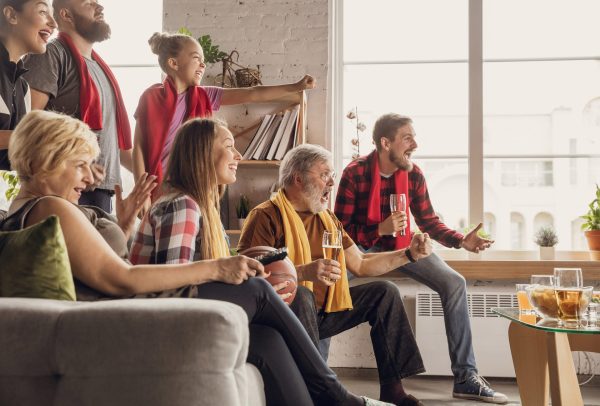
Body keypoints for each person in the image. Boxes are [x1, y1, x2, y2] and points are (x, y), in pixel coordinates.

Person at [1, 110, 392, 406]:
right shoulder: (51, 206)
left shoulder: (40, 210)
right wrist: (219, 267)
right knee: (258, 291)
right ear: (42, 161)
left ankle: (326, 397)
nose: (89, 179)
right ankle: (333, 393)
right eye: (80, 165)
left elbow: (104, 262)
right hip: (126, 315)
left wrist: (121, 224)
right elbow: (120, 277)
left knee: (268, 337)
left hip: (118, 312)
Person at [238, 143, 433, 406]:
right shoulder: (264, 217)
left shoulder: (328, 219)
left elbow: (361, 263)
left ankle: (393, 390)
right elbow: (249, 278)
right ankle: (321, 390)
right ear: (298, 178)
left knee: (384, 292)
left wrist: (409, 254)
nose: (332, 181)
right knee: (303, 293)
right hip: (284, 315)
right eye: (324, 174)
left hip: (324, 312)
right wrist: (303, 272)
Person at [334, 113, 507, 404]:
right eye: (407, 137)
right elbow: (339, 231)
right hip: (361, 246)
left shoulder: (413, 174)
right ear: (385, 142)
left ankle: (466, 377)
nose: (415, 143)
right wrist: (379, 229)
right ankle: (314, 375)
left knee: (454, 283)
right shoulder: (355, 173)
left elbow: (427, 221)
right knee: (331, 284)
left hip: (403, 246)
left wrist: (460, 240)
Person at [133, 31, 315, 204]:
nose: (203, 65)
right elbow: (139, 149)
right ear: (173, 63)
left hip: (192, 186)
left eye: (203, 61)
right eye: (196, 58)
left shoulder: (206, 95)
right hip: (157, 187)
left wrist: (295, 86)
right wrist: (141, 195)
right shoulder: (150, 97)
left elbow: (252, 94)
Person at [22, 0, 133, 213]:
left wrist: (150, 182)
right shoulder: (51, 55)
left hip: (102, 188)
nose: (99, 7)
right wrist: (76, 164)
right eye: (89, 3)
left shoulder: (101, 68)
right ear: (66, 14)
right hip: (66, 187)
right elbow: (29, 129)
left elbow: (117, 143)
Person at [0, 0, 56, 170]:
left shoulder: (23, 87)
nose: (53, 24)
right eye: (43, 11)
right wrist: (32, 135)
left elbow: (13, 160)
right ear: (12, 15)